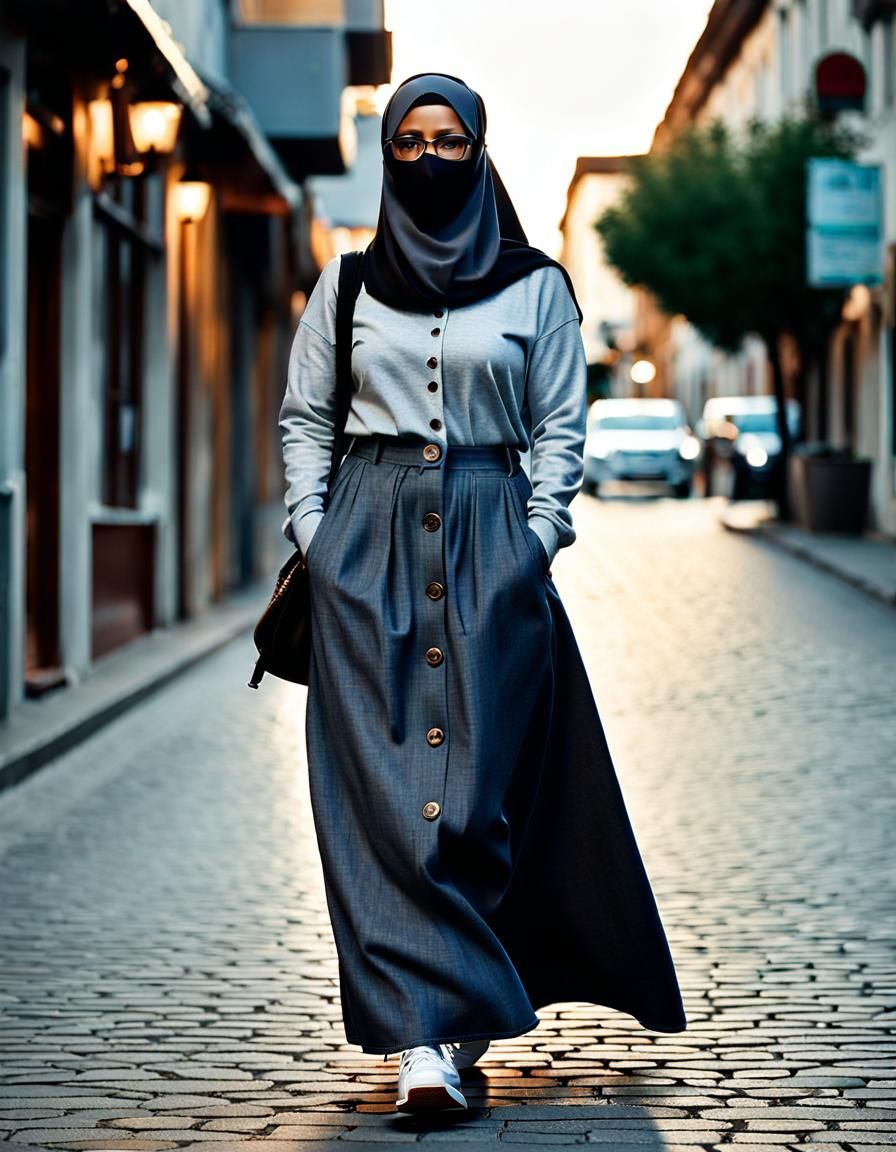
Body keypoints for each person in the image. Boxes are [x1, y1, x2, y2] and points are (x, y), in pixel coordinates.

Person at [278, 72, 687, 1115]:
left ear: (480, 151)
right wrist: (318, 539)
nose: (426, 158)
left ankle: (452, 1021)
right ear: (386, 156)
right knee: (377, 797)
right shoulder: (347, 285)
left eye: (447, 140)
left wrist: (533, 540)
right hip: (364, 536)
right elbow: (304, 421)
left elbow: (560, 427)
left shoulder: (537, 286)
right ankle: (429, 1039)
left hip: (489, 536)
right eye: (408, 140)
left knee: (470, 793)